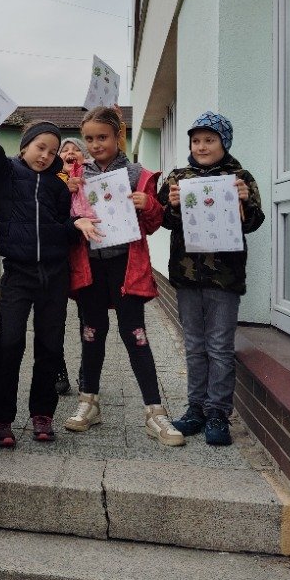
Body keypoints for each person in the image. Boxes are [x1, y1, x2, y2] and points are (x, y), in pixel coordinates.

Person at [0, 89, 98, 447]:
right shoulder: (6, 172)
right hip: (18, 273)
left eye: (52, 151)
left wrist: (76, 224)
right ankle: (1, 418)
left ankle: (42, 414)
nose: (45, 155)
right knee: (10, 342)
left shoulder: (58, 186)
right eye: (40, 147)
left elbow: (60, 225)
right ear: (24, 147)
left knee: (49, 345)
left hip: (55, 275)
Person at [65, 106, 185, 447]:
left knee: (135, 334)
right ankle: (89, 401)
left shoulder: (137, 174)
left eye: (102, 137)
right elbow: (65, 219)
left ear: (118, 136)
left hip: (126, 266)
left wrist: (149, 204)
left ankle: (155, 411)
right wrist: (68, 192)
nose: (95, 145)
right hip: (90, 266)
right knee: (92, 332)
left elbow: (153, 224)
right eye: (89, 139)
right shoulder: (77, 174)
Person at [158, 112, 264, 446]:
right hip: (187, 275)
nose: (201, 146)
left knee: (219, 346)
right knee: (194, 344)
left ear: (224, 143)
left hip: (225, 278)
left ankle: (218, 412)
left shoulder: (239, 177)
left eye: (209, 140)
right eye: (196, 140)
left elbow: (253, 223)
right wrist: (172, 204)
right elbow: (162, 220)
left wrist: (245, 200)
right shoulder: (178, 177)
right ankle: (195, 409)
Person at [54, 136, 90, 396]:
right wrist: (64, 190)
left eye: (75, 149)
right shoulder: (50, 181)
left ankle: (87, 370)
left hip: (85, 258)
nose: (69, 152)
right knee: (54, 318)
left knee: (87, 317)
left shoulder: (92, 180)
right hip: (57, 258)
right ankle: (58, 369)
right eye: (64, 150)